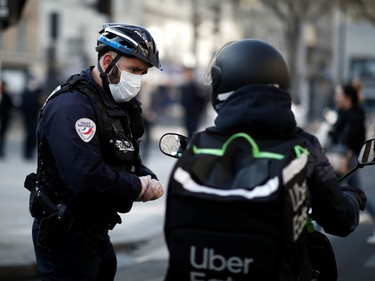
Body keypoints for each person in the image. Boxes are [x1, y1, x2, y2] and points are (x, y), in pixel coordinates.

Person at [163, 39, 367, 280]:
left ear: (223, 86)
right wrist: (354, 197)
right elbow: (340, 220)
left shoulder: (198, 145)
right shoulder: (303, 147)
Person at [27, 23, 165, 281]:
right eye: (133, 70)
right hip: (65, 235)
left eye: (142, 73)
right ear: (108, 61)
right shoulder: (72, 105)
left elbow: (124, 156)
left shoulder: (114, 102)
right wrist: (138, 187)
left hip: (96, 232)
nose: (137, 79)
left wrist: (147, 177)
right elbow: (84, 175)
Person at [179, 67, 208, 138]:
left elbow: (202, 99)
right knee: (188, 131)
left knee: (192, 131)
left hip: (194, 114)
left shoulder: (195, 86)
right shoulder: (184, 86)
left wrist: (199, 111)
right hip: (187, 113)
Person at [20, 75, 43, 160]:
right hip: (27, 117)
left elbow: (40, 103)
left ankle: (30, 153)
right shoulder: (25, 93)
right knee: (28, 135)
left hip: (34, 117)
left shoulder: (37, 93)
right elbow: (23, 105)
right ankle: (26, 153)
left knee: (33, 135)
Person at [0, 80, 14, 158]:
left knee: (3, 135)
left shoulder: (6, 95)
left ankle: (1, 150)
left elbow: (10, 106)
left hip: (3, 119)